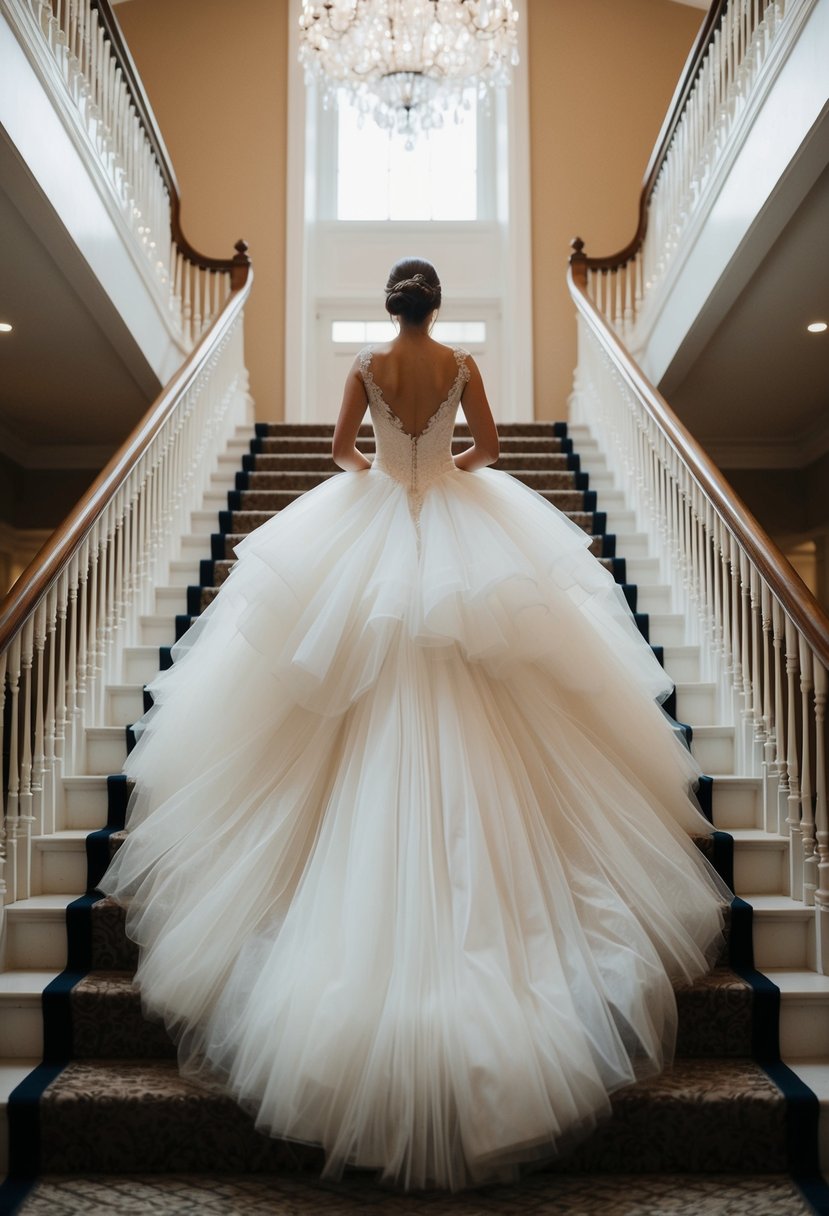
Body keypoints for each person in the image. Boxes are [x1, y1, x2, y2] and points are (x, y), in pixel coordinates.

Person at [100, 256, 730, 1191]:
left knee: (342, 683)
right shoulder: (465, 364)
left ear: (386, 306)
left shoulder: (362, 365)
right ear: (438, 306)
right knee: (495, 680)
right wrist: (442, 470)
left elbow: (336, 455)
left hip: (376, 521)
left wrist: (383, 473)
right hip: (455, 523)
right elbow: (492, 453)